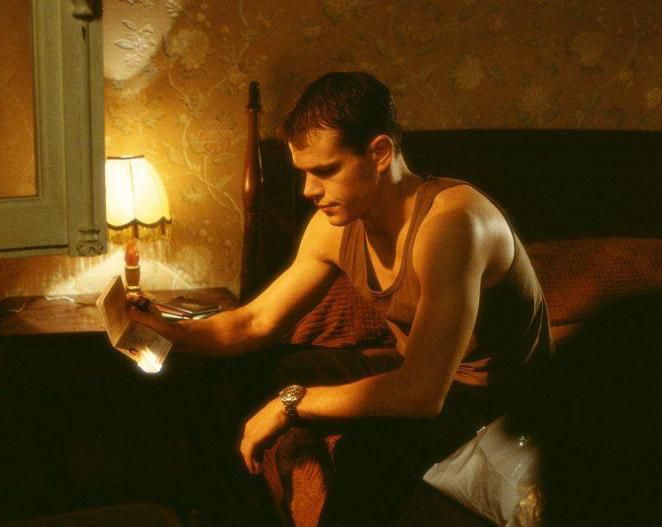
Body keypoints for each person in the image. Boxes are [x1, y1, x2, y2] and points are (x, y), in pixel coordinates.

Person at [128, 71, 552, 525]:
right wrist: (167, 330)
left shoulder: (453, 224)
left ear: (380, 153)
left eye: (326, 171)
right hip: (415, 374)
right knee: (242, 371)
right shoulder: (338, 226)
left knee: (367, 452)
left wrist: (290, 404)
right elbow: (254, 323)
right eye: (304, 173)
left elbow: (421, 394)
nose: (309, 190)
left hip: (492, 402)